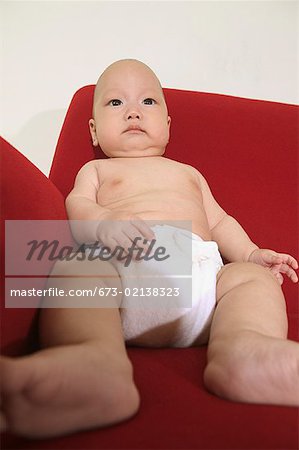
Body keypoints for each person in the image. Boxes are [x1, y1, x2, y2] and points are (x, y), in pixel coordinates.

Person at [1, 59, 298, 438]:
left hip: (203, 286)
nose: (133, 111)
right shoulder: (97, 171)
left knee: (250, 280)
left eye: (148, 102)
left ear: (168, 125)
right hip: (123, 275)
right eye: (114, 103)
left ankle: (247, 351)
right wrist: (105, 223)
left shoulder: (188, 173)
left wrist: (253, 254)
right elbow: (78, 208)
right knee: (77, 269)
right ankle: (94, 363)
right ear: (94, 132)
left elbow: (221, 223)